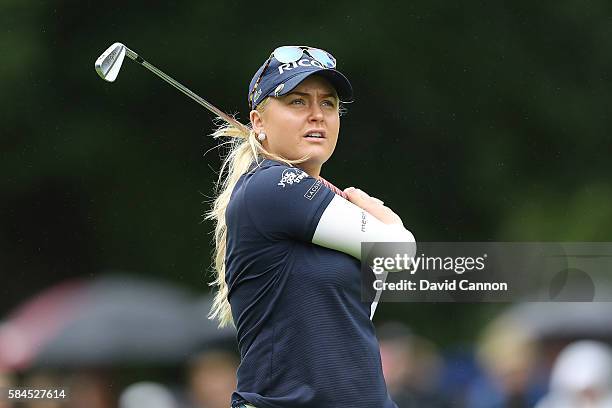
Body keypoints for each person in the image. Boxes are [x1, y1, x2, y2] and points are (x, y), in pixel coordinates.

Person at [206, 45, 415, 408]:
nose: (317, 115)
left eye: (329, 103)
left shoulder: (312, 206)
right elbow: (398, 253)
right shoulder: (268, 186)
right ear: (258, 122)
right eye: (298, 102)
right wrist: (387, 219)